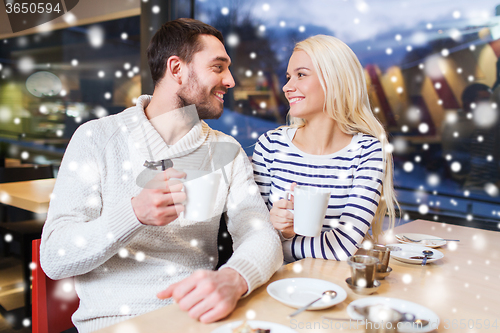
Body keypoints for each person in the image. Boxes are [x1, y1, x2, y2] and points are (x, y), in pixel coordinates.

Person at [40, 18, 282, 332]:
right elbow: (55, 258)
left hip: (198, 319)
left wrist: (233, 278)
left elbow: (260, 233)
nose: (231, 81)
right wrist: (133, 214)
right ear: (177, 69)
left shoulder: (228, 151)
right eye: (218, 67)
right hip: (114, 324)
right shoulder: (96, 138)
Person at [252, 35, 397, 263]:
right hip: (275, 287)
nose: (287, 87)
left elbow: (342, 247)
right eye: (289, 77)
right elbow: (250, 237)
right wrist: (281, 229)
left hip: (333, 287)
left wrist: (281, 244)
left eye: (301, 75)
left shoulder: (367, 152)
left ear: (335, 80)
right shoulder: (270, 145)